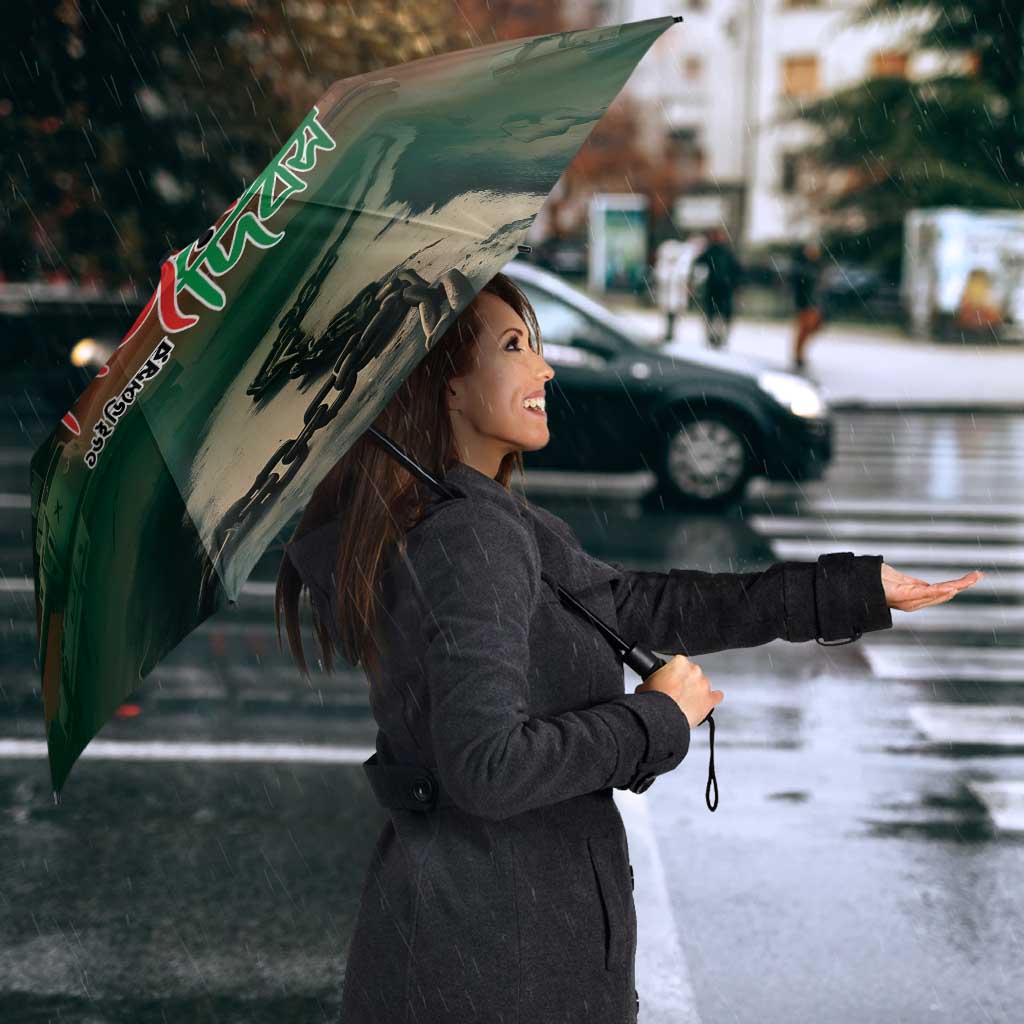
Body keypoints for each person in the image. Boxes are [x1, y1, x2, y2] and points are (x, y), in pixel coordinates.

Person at [276, 271, 980, 1024]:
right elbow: (488, 768)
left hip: (476, 943)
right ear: (445, 384)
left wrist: (849, 590)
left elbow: (640, 606)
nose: (544, 368)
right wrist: (655, 719)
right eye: (513, 347)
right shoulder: (471, 536)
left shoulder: (472, 518)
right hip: (500, 964)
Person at [692, 226, 742, 349]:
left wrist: (735, 284)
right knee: (714, 314)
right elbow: (698, 263)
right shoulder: (714, 251)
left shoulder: (724, 252)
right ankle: (713, 337)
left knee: (719, 315)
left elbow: (736, 270)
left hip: (722, 289)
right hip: (716, 288)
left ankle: (719, 337)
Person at [790, 239, 826, 370]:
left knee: (812, 327)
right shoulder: (802, 267)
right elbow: (799, 286)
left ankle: (799, 354)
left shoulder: (816, 266)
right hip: (805, 303)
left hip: (814, 303)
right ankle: (798, 355)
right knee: (804, 329)